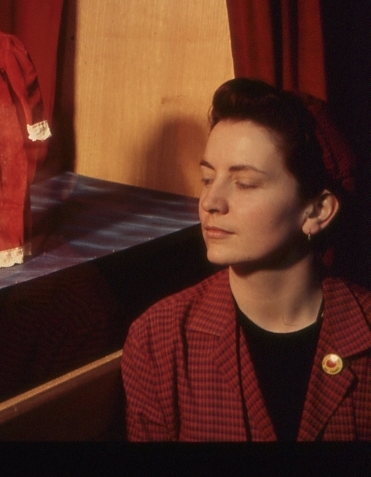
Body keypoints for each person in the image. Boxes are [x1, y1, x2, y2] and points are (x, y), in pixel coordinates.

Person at [122, 77, 371, 441]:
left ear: (317, 211)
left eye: (245, 183)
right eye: (207, 178)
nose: (211, 202)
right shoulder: (159, 340)